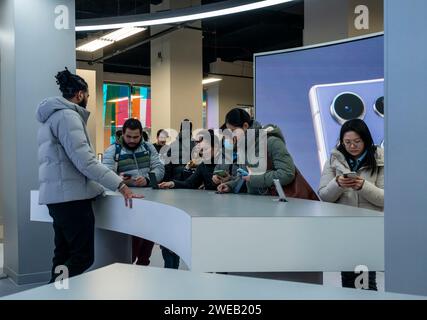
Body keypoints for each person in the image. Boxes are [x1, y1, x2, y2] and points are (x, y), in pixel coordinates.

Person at [36, 68, 142, 283]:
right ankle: (53, 291)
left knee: (63, 254)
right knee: (82, 257)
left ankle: (56, 296)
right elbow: (85, 161)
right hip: (72, 199)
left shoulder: (52, 116)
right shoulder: (68, 116)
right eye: (88, 96)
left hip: (60, 198)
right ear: (80, 94)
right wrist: (120, 185)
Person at [318, 119, 384, 290]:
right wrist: (337, 184)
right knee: (348, 278)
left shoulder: (381, 159)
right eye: (347, 142)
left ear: (366, 140)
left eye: (357, 141)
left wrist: (363, 186)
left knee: (366, 280)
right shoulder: (333, 160)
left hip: (369, 229)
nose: (352, 146)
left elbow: (386, 199)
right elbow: (324, 196)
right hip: (344, 228)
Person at [103, 118, 164, 266]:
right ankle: (128, 269)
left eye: (136, 137)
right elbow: (105, 174)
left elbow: (159, 169)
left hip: (148, 201)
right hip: (126, 203)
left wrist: (148, 180)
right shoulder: (113, 150)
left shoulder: (149, 148)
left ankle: (143, 268)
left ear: (141, 134)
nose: (132, 140)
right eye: (128, 136)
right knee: (132, 243)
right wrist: (120, 180)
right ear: (122, 134)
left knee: (148, 238)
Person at [217, 108, 295, 195]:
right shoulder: (242, 147)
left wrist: (254, 179)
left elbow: (287, 173)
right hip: (253, 202)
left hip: (274, 203)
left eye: (232, 131)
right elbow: (245, 176)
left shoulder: (272, 142)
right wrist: (230, 186)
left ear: (245, 126)